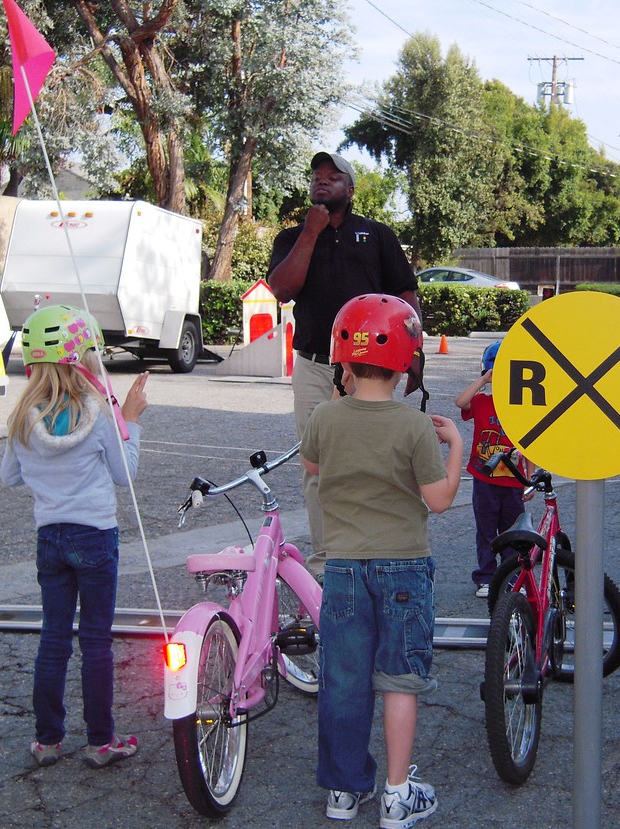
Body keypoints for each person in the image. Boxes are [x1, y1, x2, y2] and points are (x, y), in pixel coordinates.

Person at [301, 294, 462, 827]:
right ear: (408, 362)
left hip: (344, 569)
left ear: (342, 358)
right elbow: (437, 501)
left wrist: (336, 400)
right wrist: (455, 448)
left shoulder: (325, 415)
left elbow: (312, 465)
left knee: (343, 680)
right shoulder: (415, 427)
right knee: (398, 678)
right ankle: (397, 793)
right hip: (403, 568)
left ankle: (344, 792)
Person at [0, 305, 148, 769]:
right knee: (97, 641)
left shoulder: (24, 416)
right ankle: (100, 741)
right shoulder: (98, 412)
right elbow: (126, 475)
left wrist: (47, 473)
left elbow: (10, 477)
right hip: (95, 537)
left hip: (51, 538)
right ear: (81, 358)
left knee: (54, 638)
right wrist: (133, 421)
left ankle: (47, 739)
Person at [267, 152, 421, 579]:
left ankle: (374, 553)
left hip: (369, 370)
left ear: (350, 190)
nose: (322, 182)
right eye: (317, 176)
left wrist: (415, 355)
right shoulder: (293, 237)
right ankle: (324, 562)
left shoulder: (378, 236)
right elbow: (281, 289)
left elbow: (406, 298)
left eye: (334, 177)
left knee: (375, 460)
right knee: (316, 466)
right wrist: (311, 233)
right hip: (315, 367)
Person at [454, 340, 532, 598]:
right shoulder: (482, 402)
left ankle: (510, 577)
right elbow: (460, 402)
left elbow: (529, 446)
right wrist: (484, 380)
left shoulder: (522, 409)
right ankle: (486, 577)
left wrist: (529, 479)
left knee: (512, 534)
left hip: (513, 482)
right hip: (484, 480)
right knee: (486, 532)